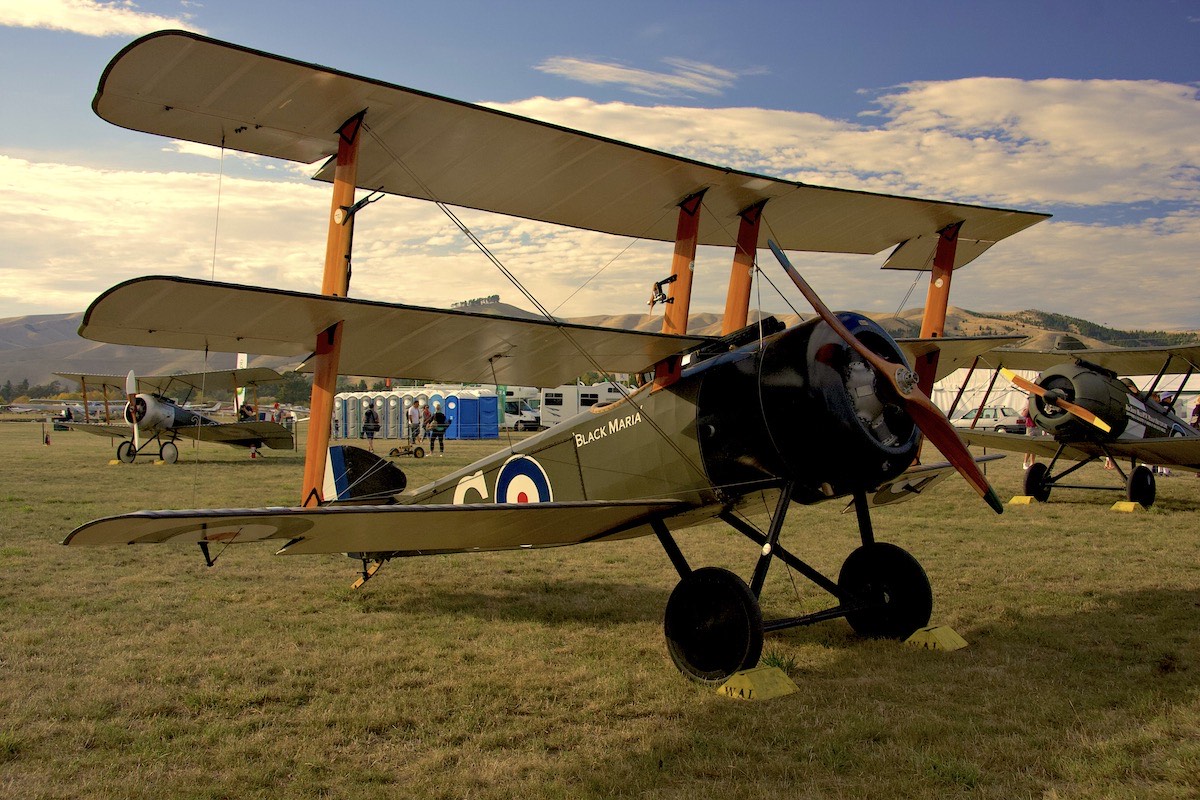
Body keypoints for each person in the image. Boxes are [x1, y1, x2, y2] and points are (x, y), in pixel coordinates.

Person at [1021, 401, 1037, 470]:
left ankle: (1032, 463)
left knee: (1035, 446)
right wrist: (1028, 405)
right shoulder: (1028, 406)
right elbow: (1024, 414)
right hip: (1030, 427)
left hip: (1037, 427)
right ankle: (1025, 462)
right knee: (1029, 446)